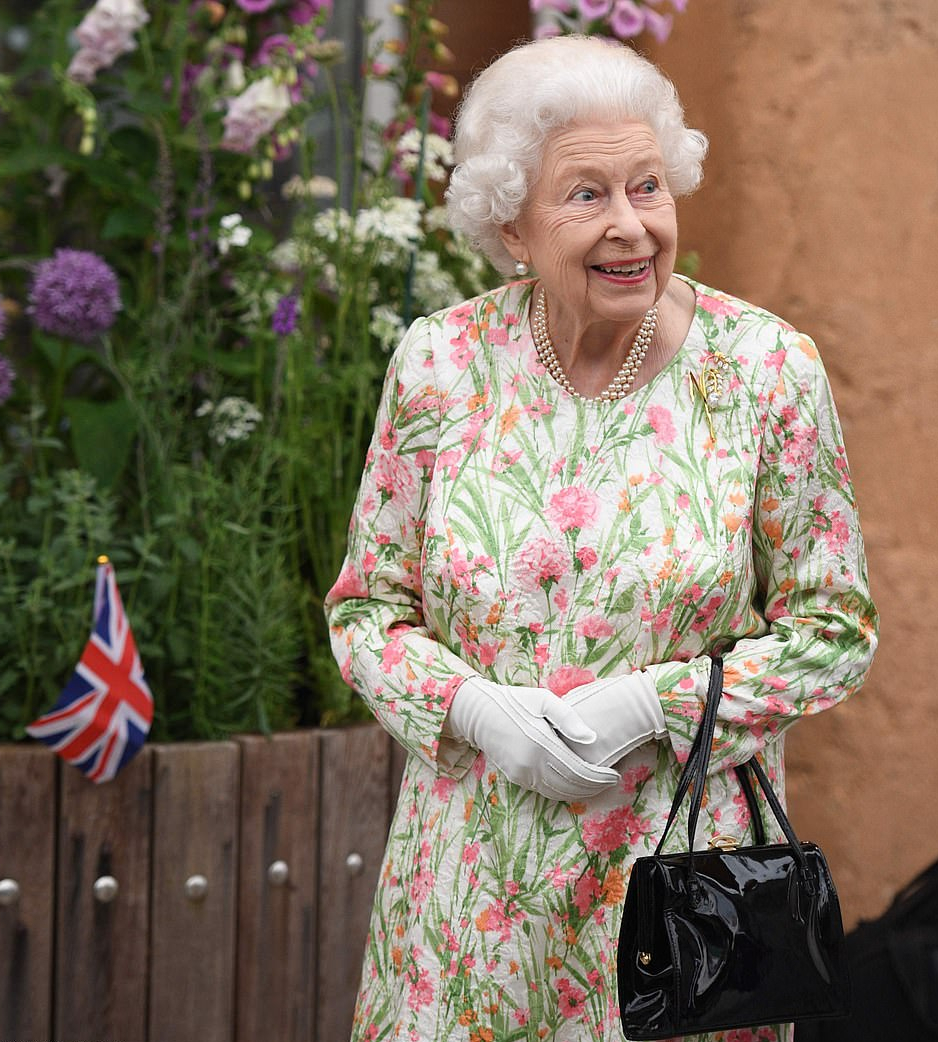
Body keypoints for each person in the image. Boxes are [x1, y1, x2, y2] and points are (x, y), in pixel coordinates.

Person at [325, 33, 878, 1042]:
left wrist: (649, 703)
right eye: (587, 195)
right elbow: (367, 612)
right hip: (465, 907)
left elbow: (833, 631)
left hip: (679, 903)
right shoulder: (439, 363)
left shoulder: (764, 371)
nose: (632, 226)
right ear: (511, 222)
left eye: (649, 186)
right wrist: (475, 707)